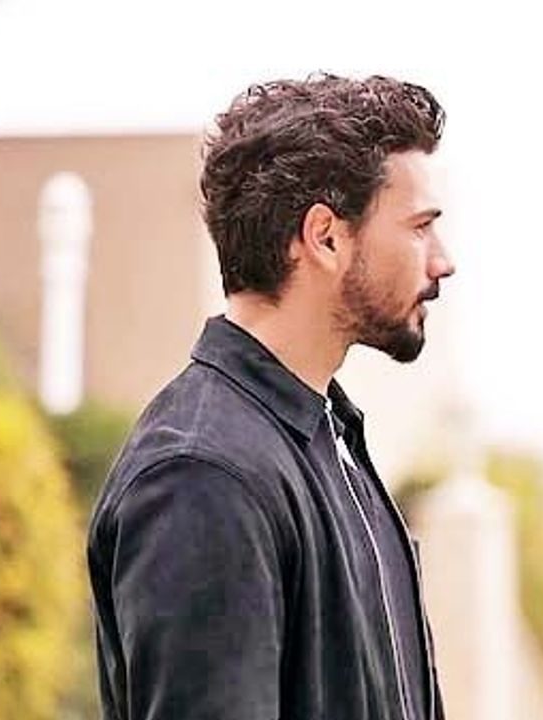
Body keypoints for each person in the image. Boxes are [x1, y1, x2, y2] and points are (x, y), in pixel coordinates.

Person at [87, 73, 455, 720]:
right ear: (326, 237)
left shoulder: (329, 441)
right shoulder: (203, 477)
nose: (442, 261)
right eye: (420, 227)